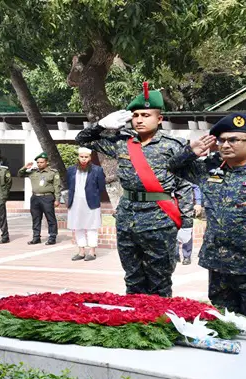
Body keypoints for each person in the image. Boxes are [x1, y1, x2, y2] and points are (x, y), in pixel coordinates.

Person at [168, 113, 246, 324]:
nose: (225, 145)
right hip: (219, 263)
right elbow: (173, 167)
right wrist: (191, 152)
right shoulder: (209, 170)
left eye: (234, 140)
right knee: (222, 323)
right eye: (222, 140)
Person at [75, 84, 192, 296]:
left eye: (146, 115)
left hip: (159, 218)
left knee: (159, 281)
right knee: (132, 278)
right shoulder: (122, 142)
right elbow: (83, 140)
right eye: (136, 115)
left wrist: (187, 223)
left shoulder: (175, 145)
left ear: (159, 119)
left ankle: (159, 324)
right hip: (127, 217)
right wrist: (100, 125)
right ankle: (135, 322)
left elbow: (184, 185)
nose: (139, 119)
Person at [67, 147, 105, 261]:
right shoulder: (71, 170)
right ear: (78, 157)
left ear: (90, 157)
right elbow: (69, 184)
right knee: (77, 227)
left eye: (86, 157)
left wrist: (93, 195)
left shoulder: (97, 170)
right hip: (75, 203)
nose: (83, 159)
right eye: (81, 157)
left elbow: (101, 187)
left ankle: (92, 252)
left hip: (91, 202)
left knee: (92, 227)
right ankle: (81, 251)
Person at [18, 152, 61, 245]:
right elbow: (20, 174)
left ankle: (52, 237)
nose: (39, 164)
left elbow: (57, 186)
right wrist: (25, 167)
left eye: (41, 162)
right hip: (35, 198)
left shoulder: (53, 172)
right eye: (38, 162)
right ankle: (36, 237)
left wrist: (57, 199)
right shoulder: (33, 172)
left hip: (47, 197)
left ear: (47, 162)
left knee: (50, 218)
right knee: (36, 218)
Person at [177, 184, 201, 265]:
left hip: (186, 207)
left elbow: (196, 187)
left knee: (187, 230)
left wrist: (198, 203)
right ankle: (174, 255)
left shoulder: (186, 173)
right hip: (169, 205)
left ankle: (186, 256)